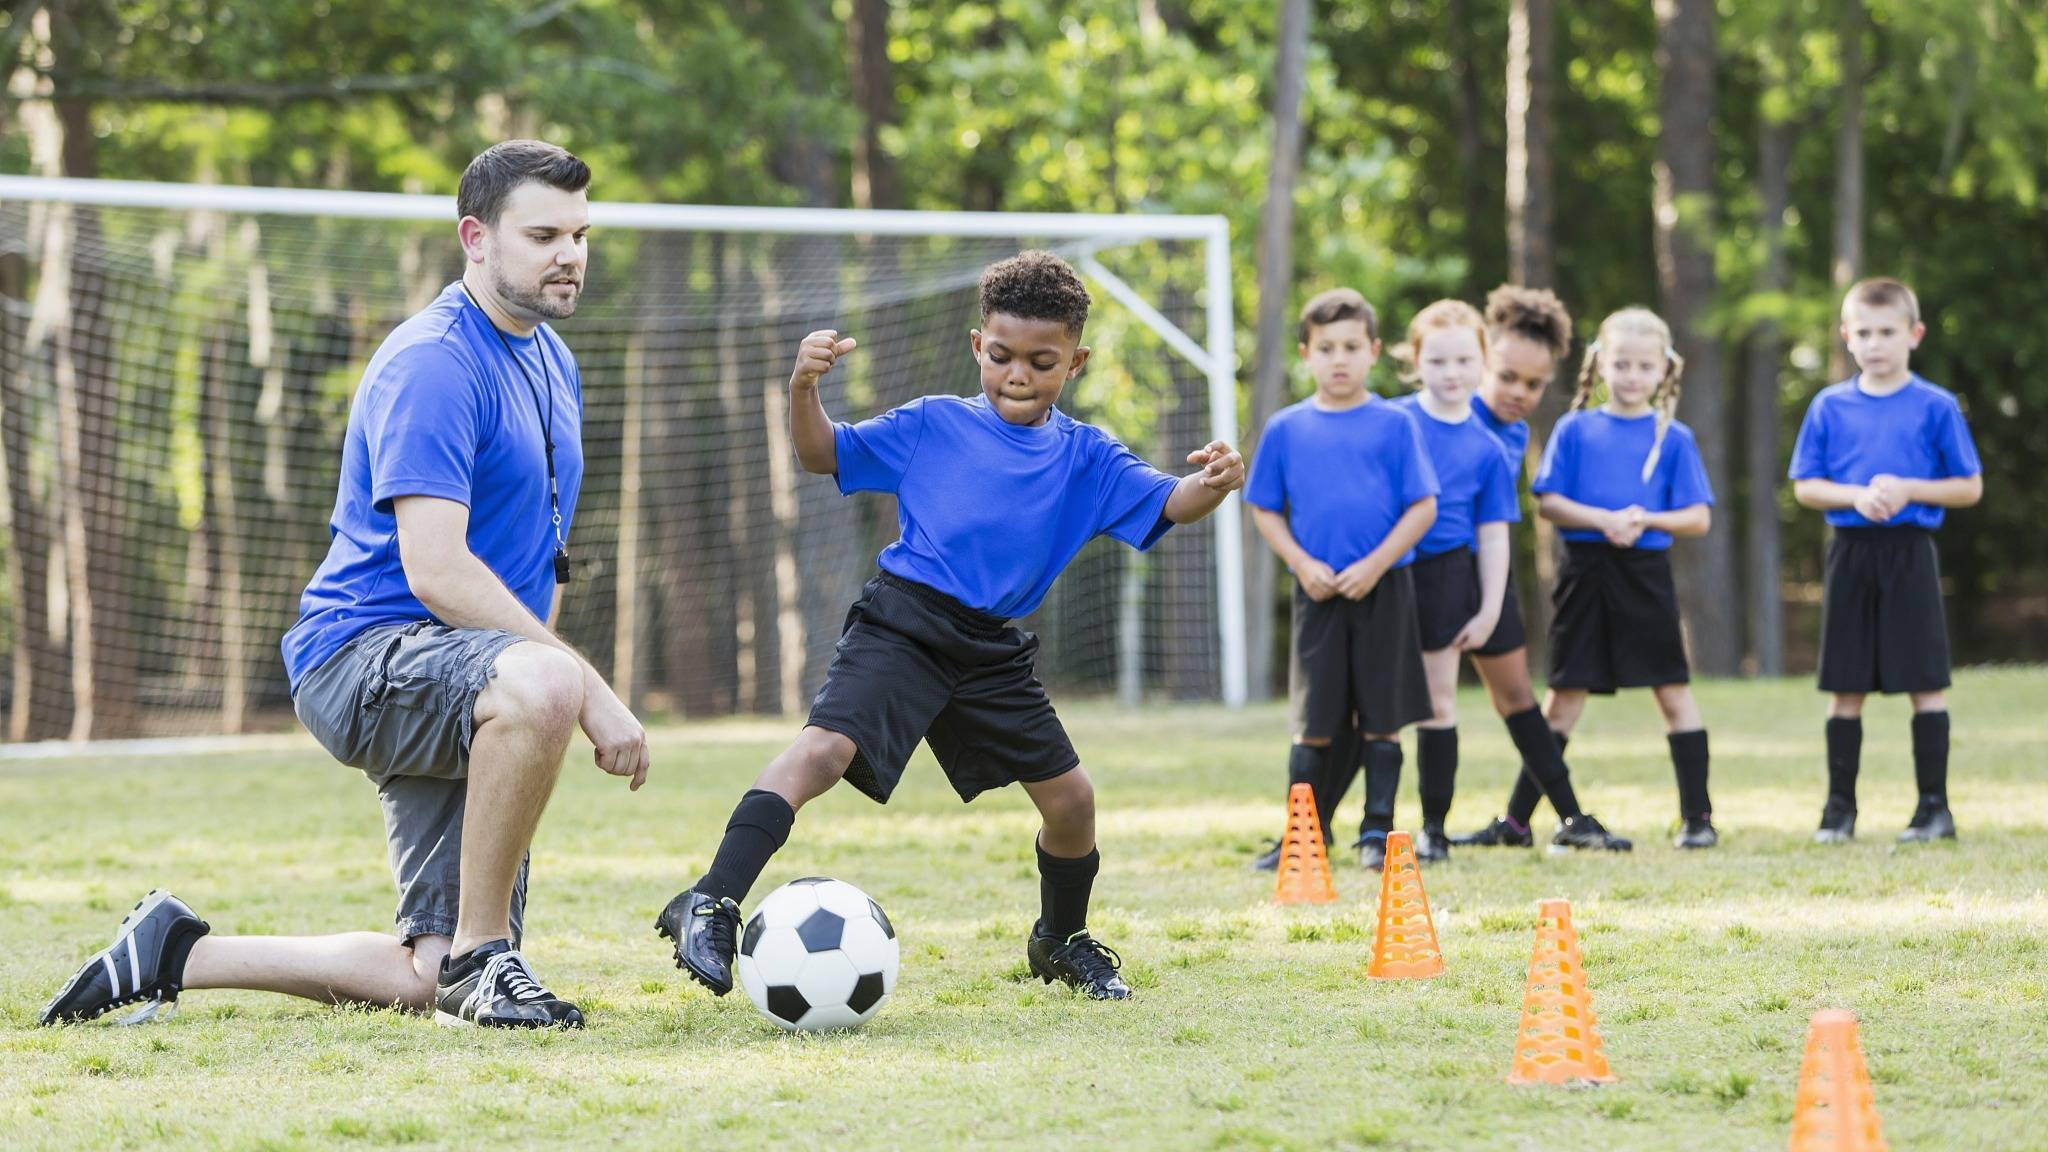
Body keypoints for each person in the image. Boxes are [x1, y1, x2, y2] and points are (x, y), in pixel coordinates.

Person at [39, 140, 649, 1031]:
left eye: (581, 235)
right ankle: (487, 959)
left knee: (422, 975)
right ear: (476, 238)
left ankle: (174, 952)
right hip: (361, 658)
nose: (569, 254)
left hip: (471, 678)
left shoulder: (554, 362)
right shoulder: (435, 361)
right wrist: (579, 692)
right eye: (544, 233)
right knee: (550, 679)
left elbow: (530, 565)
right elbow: (434, 570)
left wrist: (535, 700)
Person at [656, 250, 1243, 1001]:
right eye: (1001, 357)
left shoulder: (1089, 458)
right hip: (903, 623)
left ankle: (1059, 940)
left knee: (1072, 803)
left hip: (993, 648)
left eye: (1041, 361)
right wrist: (803, 387)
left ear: (1077, 362)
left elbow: (1171, 501)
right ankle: (711, 899)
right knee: (824, 751)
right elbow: (818, 453)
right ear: (977, 347)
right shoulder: (931, 424)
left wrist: (1214, 482)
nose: (1018, 375)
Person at [1245, 288, 1438, 873]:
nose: (1340, 358)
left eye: (1352, 346)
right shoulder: (1285, 428)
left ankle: (1377, 831)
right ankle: (1304, 837)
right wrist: (1302, 565)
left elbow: (1422, 506)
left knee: (1383, 719)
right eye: (1326, 347)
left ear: (1373, 351)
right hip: (1318, 593)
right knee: (1314, 724)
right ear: (1306, 353)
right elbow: (1265, 509)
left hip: (1384, 591)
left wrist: (1376, 563)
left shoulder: (1395, 424)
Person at [1789, 277, 1982, 844]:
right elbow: (1805, 486)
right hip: (1850, 553)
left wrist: (1909, 490)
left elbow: (1968, 487)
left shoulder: (1936, 406)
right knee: (1845, 686)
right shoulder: (1830, 405)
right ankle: (1839, 810)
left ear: (1913, 335)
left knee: (1925, 682)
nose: (1875, 344)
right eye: (1864, 333)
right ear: (1847, 336)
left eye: (1887, 332)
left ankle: (1933, 809)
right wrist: (1855, 496)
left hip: (1910, 554)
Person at [1451, 287, 1631, 852]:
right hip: (1424, 572)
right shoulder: (1444, 417)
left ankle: (1566, 820)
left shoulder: (1516, 432)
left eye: (1533, 384)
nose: (1519, 393)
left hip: (1487, 578)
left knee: (1518, 702)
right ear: (1481, 359)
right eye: (1507, 377)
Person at [1532, 306, 1717, 849]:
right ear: (1601, 365)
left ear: (1664, 370)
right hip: (1584, 573)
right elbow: (1548, 501)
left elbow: (1698, 518)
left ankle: (1698, 820)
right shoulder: (1574, 429)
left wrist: (1645, 518)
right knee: (1563, 697)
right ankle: (1518, 821)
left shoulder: (1674, 438)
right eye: (1622, 364)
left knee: (1672, 692)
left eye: (1644, 366)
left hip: (1644, 575)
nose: (1632, 376)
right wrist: (1601, 519)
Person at [1387, 301, 1530, 862]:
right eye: (1438, 360)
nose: (1451, 373)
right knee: (1367, 707)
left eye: (1464, 360)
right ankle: (1361, 827)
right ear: (1415, 361)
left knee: (1437, 704)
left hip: (1446, 578)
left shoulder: (1489, 448)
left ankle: (1434, 829)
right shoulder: (1391, 421)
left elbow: (1494, 536)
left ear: (1483, 363)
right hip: (1385, 572)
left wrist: (1490, 608)